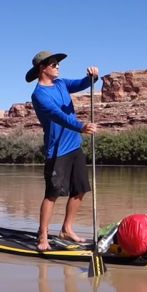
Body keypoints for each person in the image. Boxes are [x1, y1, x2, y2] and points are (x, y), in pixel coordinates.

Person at [25, 50, 99, 251]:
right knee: (52, 194)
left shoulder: (61, 84)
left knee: (80, 189)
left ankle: (67, 229)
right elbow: (57, 115)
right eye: (54, 64)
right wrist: (80, 126)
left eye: (58, 64)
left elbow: (82, 84)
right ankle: (42, 237)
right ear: (43, 68)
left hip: (74, 146)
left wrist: (92, 77)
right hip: (57, 151)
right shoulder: (39, 95)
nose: (58, 67)